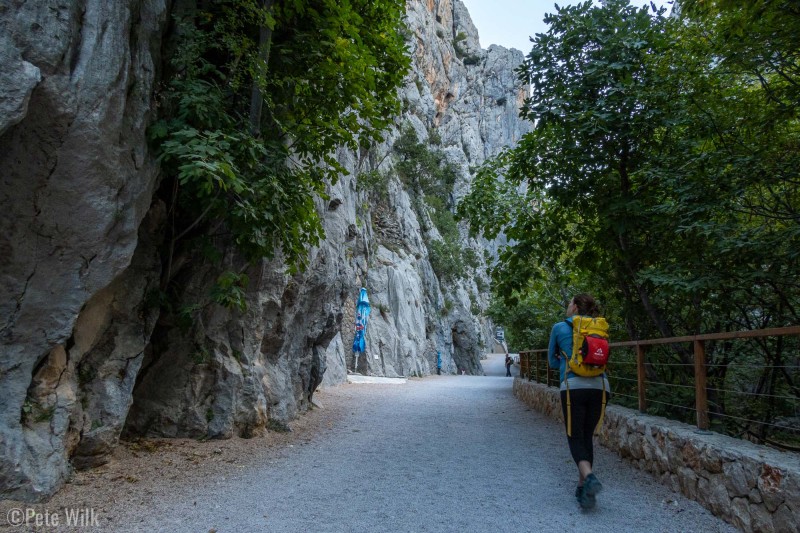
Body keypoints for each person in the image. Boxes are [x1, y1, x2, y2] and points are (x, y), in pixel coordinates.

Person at [548, 293, 611, 509]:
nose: (568, 307)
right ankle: (583, 489)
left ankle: (590, 477)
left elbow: (552, 363)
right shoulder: (599, 327)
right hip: (600, 387)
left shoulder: (559, 327)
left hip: (573, 387)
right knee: (586, 437)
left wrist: (563, 360)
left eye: (569, 303)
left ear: (575, 307)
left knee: (575, 437)